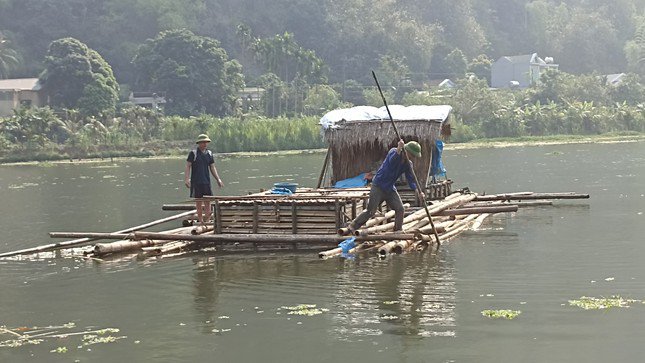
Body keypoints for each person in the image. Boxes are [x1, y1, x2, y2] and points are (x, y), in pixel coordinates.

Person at [346, 139, 422, 233]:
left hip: (389, 188)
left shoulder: (408, 164)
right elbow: (392, 161)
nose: (412, 158)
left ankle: (398, 230)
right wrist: (398, 149)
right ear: (406, 151)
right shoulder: (394, 151)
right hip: (378, 185)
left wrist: (418, 191)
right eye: (412, 155)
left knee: (400, 209)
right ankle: (353, 226)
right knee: (371, 211)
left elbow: (411, 179)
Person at [184, 134, 224, 226]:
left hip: (206, 181)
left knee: (208, 201)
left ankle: (207, 220)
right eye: (203, 142)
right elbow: (188, 166)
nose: (205, 144)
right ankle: (201, 220)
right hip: (196, 181)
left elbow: (212, 167)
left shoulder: (209, 153)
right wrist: (186, 179)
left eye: (206, 142)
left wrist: (218, 179)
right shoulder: (193, 153)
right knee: (198, 201)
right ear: (199, 143)